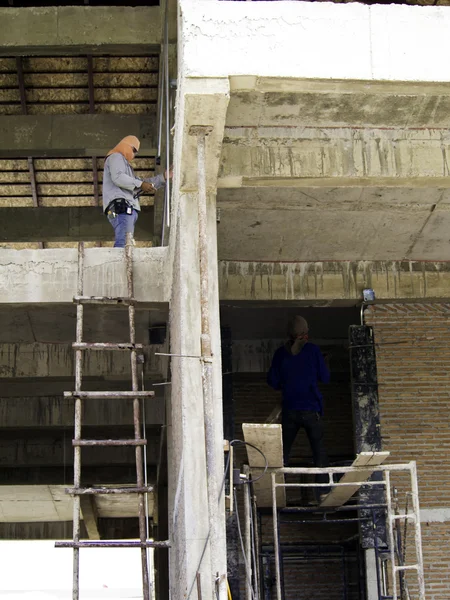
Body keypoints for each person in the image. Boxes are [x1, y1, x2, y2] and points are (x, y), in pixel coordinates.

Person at [267, 316, 330, 499]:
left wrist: (289, 383)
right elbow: (325, 378)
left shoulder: (280, 353)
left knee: (283, 454)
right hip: (311, 410)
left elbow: (273, 381)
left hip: (290, 410)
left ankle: (277, 492)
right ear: (306, 333)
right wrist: (323, 362)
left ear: (289, 334)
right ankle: (324, 492)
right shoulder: (313, 351)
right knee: (319, 453)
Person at [102, 135, 171, 248]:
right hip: (121, 207)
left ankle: (123, 263)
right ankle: (121, 265)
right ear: (126, 146)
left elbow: (139, 183)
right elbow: (118, 178)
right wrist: (140, 184)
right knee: (124, 243)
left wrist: (163, 177)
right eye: (134, 151)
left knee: (126, 241)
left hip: (119, 210)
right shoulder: (116, 157)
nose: (134, 155)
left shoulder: (123, 165)